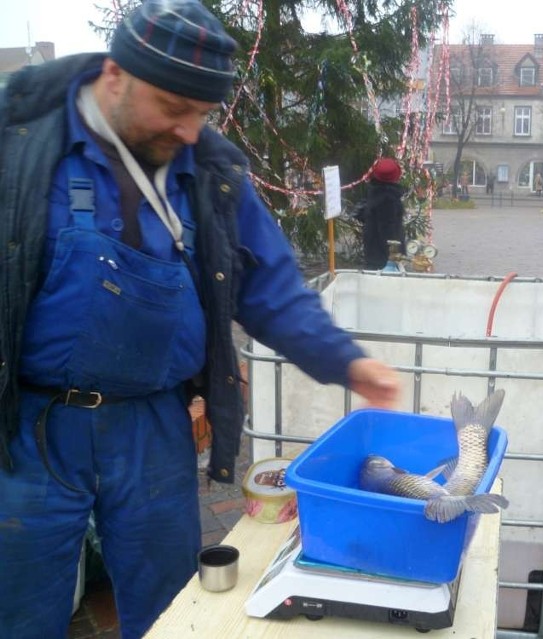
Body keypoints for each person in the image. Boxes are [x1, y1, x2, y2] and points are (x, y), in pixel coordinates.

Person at [0, 2, 400, 638]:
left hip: (153, 428)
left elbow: (270, 287)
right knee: (20, 609)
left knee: (170, 607)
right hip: (31, 427)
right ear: (114, 75)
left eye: (203, 114)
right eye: (172, 107)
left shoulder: (211, 171)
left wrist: (345, 359)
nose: (190, 131)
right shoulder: (20, 143)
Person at [358, 157, 406, 270]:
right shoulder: (389, 199)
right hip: (383, 257)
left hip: (372, 248)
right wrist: (395, 255)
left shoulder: (374, 191)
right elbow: (387, 229)